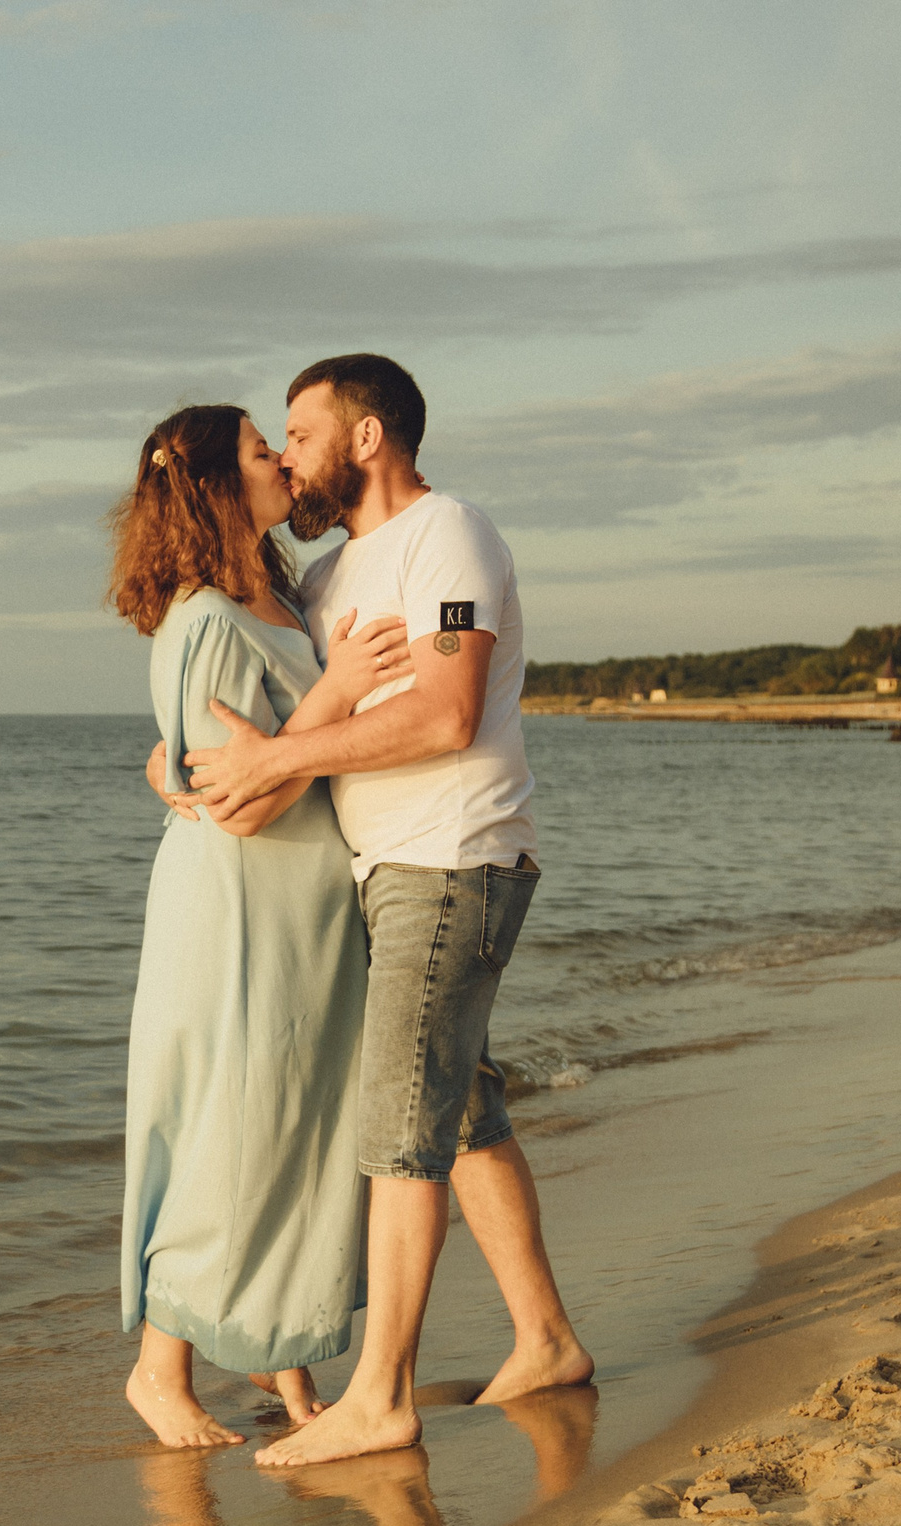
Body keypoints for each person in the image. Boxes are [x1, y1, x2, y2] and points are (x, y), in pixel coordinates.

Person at [174, 355, 592, 1468]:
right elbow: (283, 710)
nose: (288, 457)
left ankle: (380, 1396)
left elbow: (448, 713)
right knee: (460, 1114)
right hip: (386, 871)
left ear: (364, 439)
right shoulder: (325, 582)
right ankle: (544, 1337)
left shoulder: (447, 534)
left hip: (453, 856)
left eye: (300, 435)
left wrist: (280, 757)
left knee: (400, 1127)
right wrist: (175, 768)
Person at [111, 403, 415, 1448]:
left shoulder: (276, 590)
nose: (282, 461)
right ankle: (159, 1368)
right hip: (242, 908)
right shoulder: (201, 620)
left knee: (287, 1126)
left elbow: (254, 756)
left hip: (304, 908)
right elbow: (245, 799)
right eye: (258, 452)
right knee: (232, 1126)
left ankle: (284, 1372)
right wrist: (339, 689)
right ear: (214, 486)